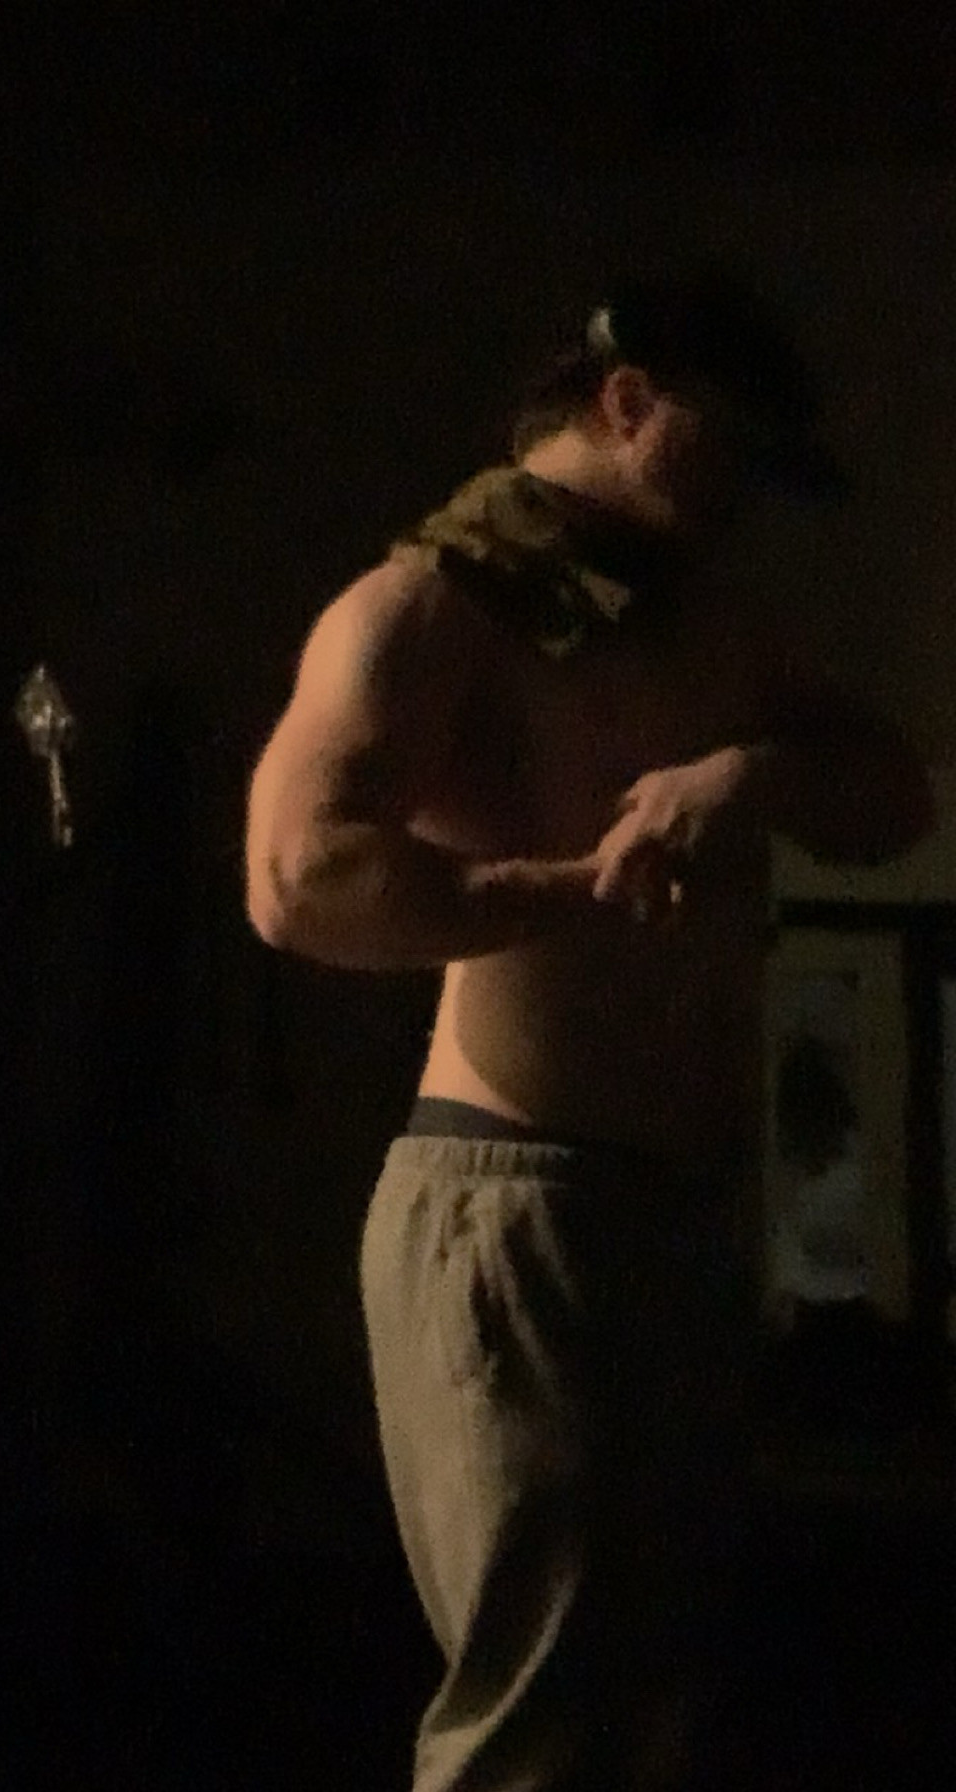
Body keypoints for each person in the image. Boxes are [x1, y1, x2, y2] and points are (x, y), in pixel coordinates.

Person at [244, 268, 934, 1790]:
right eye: (732, 451)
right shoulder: (433, 607)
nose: (747, 499)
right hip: (519, 1215)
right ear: (628, 404)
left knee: (649, 1711)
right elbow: (296, 880)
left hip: (674, 1216)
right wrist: (574, 887)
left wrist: (745, 776)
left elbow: (894, 797)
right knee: (538, 1736)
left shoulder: (710, 628)